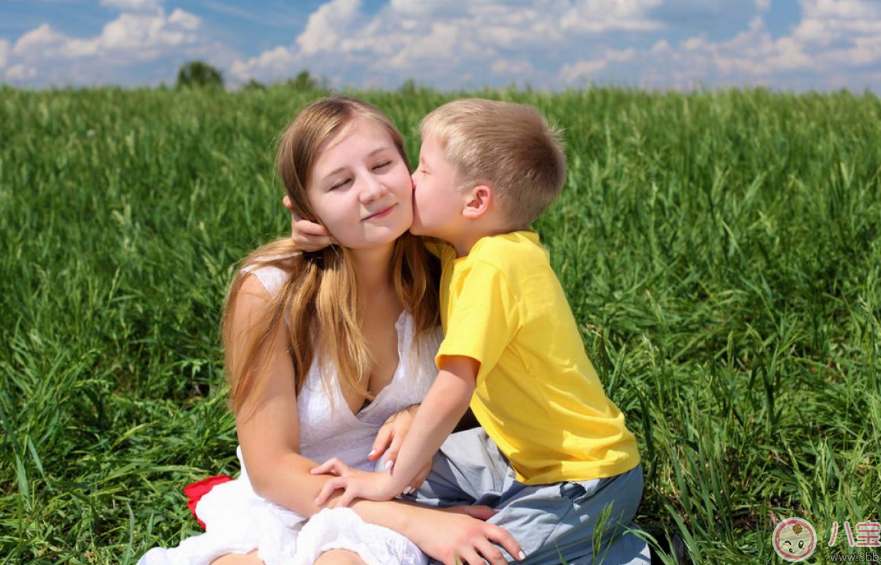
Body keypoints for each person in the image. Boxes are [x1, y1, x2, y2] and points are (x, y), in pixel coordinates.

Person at [138, 96, 524, 565]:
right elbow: (273, 469)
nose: (371, 190)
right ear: (304, 208)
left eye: (383, 165)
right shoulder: (269, 292)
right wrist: (415, 522)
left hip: (415, 492)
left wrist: (420, 415)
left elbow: (492, 396)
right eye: (340, 183)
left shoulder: (450, 268)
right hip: (292, 497)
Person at [292, 98, 651, 565]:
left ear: (476, 201)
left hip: (585, 477)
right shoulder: (464, 246)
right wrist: (321, 226)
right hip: (515, 453)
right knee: (402, 484)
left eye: (422, 170)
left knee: (477, 554)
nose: (409, 182)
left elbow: (454, 387)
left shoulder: (496, 267)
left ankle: (629, 553)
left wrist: (386, 484)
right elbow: (376, 229)